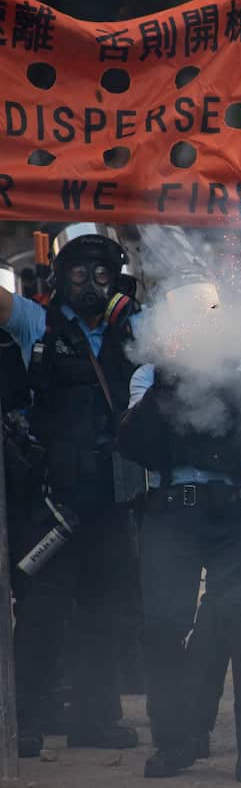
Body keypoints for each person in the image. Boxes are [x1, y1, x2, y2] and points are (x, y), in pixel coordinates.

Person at [116, 276, 241, 781]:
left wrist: (220, 376)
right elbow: (135, 443)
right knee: (164, 626)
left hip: (234, 508)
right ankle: (173, 743)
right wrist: (170, 378)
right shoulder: (149, 375)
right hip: (173, 509)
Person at [0, 223, 140, 760]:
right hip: (53, 499)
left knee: (105, 609)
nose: (90, 283)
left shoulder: (133, 329)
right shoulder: (35, 321)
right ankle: (26, 721)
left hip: (110, 495)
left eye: (101, 272)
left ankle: (95, 719)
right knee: (42, 610)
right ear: (59, 275)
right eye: (79, 271)